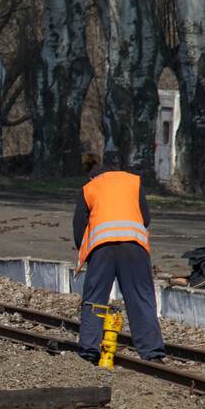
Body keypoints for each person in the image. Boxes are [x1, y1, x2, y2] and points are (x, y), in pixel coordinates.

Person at [73, 152, 166, 364]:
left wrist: (85, 251)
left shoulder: (89, 187)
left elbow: (79, 228)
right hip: (134, 247)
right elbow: (146, 218)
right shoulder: (132, 182)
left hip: (101, 250)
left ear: (92, 176)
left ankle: (88, 352)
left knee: (95, 300)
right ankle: (153, 355)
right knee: (141, 299)